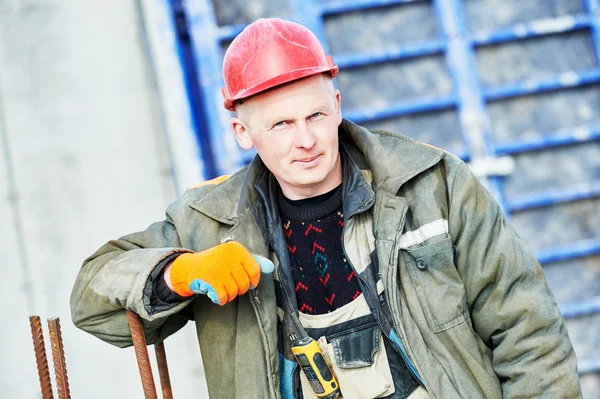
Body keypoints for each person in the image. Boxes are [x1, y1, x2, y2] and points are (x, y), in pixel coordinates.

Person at [71, 18, 581, 398]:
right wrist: (178, 273)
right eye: (281, 125)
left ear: (337, 103)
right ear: (242, 133)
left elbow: (528, 330)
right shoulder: (209, 222)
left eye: (316, 114)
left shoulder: (431, 184)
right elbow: (92, 301)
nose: (307, 140)